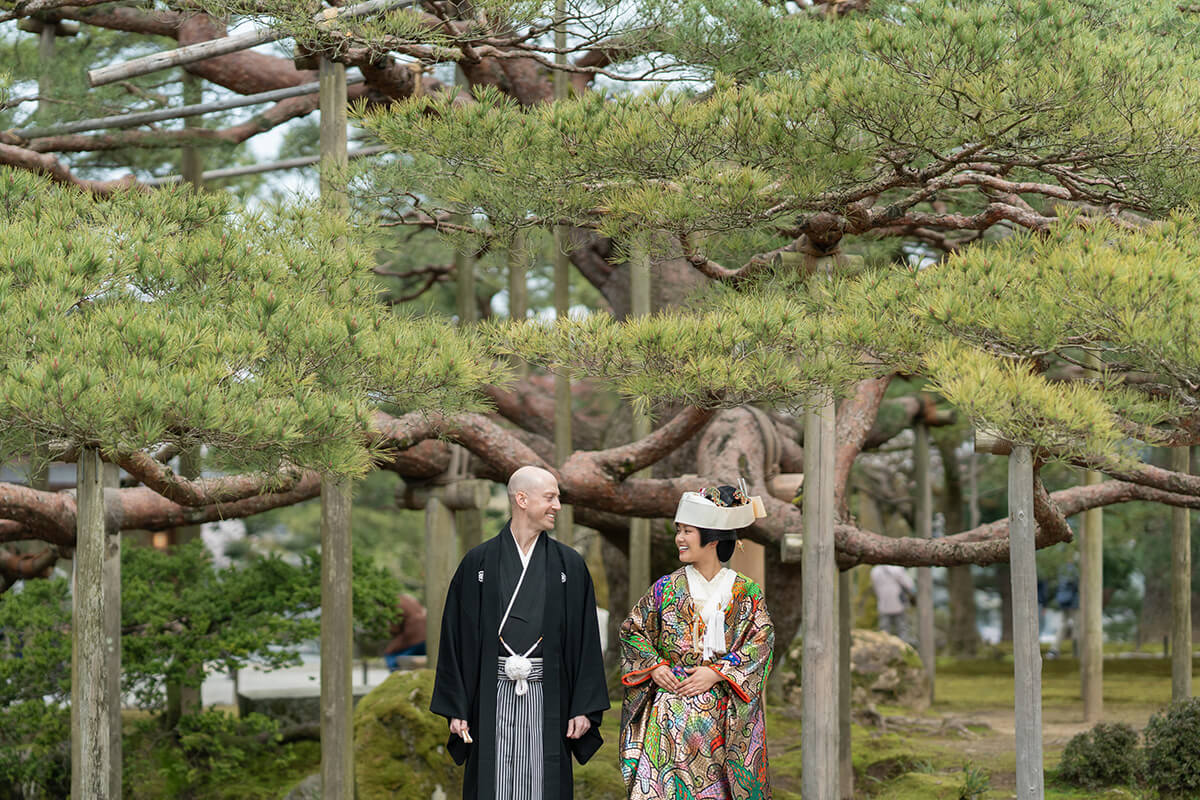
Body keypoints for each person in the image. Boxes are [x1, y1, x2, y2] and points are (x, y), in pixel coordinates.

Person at [430, 465, 609, 800]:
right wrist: (457, 706)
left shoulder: (569, 565)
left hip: (549, 694)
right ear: (522, 499)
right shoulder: (478, 562)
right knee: (492, 780)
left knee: (545, 781)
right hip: (491, 693)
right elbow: (455, 637)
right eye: (550, 497)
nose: (557, 505)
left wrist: (582, 706)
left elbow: (586, 641)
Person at [619, 484, 774, 800]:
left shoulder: (746, 592)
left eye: (687, 531)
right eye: (678, 530)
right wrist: (655, 665)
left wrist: (718, 672)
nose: (679, 538)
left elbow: (762, 640)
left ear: (713, 539)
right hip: (669, 715)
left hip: (722, 715)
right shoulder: (666, 588)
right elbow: (633, 630)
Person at [870, 563, 916, 644]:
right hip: (898, 603)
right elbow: (908, 584)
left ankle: (884, 646)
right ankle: (903, 648)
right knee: (902, 628)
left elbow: (875, 588)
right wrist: (913, 592)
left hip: (883, 604)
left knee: (884, 630)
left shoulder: (875, 571)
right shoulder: (897, 568)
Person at [383, 593, 427, 671]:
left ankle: (396, 674)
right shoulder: (409, 598)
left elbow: (395, 628)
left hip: (413, 637)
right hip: (427, 637)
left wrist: (389, 630)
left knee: (390, 653)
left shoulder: (394, 603)